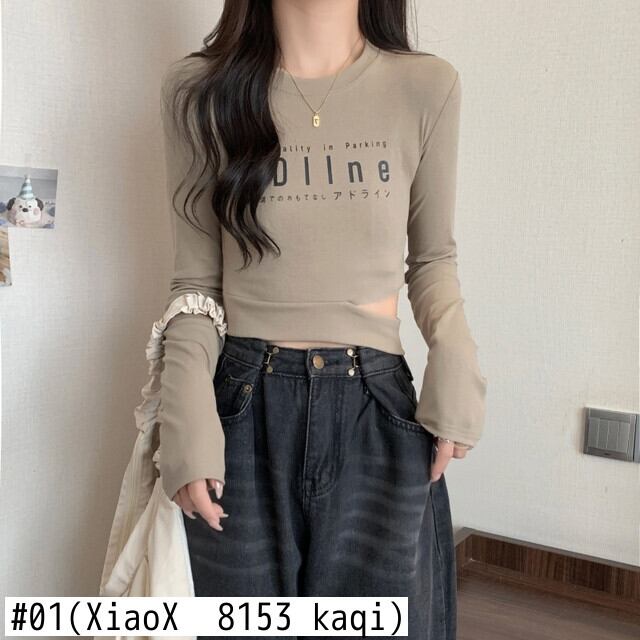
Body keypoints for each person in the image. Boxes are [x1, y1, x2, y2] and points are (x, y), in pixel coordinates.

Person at [157, 1, 488, 638]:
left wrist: (456, 357)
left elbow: (432, 260)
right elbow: (197, 286)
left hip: (377, 411)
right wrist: (185, 411)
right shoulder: (199, 91)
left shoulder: (426, 86)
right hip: (240, 413)